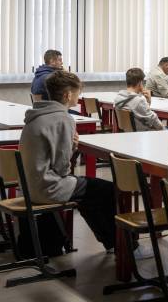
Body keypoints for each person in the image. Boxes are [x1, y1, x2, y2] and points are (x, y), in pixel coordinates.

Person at [20, 71, 116, 252]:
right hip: (48, 187)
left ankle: (110, 242)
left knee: (90, 191)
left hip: (29, 185)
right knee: (107, 190)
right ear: (68, 95)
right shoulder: (63, 118)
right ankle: (122, 245)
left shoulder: (36, 114)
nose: (78, 97)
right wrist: (72, 148)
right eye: (78, 93)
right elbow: (62, 169)